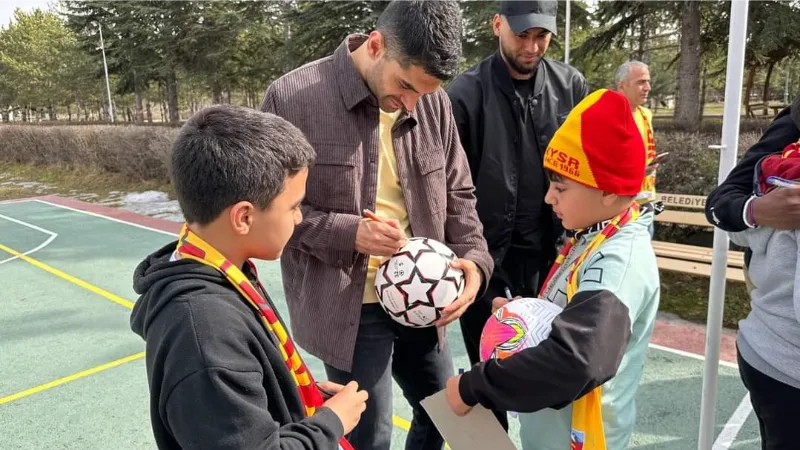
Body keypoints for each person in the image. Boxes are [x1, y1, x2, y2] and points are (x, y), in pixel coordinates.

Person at [260, 1, 494, 449]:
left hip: (427, 295)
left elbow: (460, 195)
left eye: (423, 94)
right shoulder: (292, 98)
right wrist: (350, 233)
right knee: (369, 436)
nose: (411, 104)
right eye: (405, 86)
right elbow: (271, 212)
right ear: (375, 45)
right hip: (350, 306)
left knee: (452, 413)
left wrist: (475, 265)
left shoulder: (434, 104)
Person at [130, 105, 369, 450]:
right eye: (293, 206)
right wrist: (331, 423)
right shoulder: (203, 333)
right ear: (243, 217)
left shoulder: (223, 268)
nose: (299, 218)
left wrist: (293, 393)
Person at [444, 89, 661, 450]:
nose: (549, 198)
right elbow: (573, 315)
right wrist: (525, 314)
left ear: (607, 190)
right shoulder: (594, 234)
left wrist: (474, 387)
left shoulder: (619, 263)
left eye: (560, 187)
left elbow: (577, 360)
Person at [444, 0, 588, 428]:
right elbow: (450, 191)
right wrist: (478, 273)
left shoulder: (571, 85)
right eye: (521, 34)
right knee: (486, 386)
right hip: (487, 264)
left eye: (540, 36)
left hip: (555, 261)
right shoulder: (464, 94)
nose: (531, 46)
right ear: (497, 25)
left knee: (550, 385)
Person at [726, 145, 800, 450]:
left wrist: (756, 209)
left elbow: (736, 230)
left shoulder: (782, 163)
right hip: (787, 363)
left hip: (762, 347)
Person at [614, 60, 662, 234]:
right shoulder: (609, 116)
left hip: (646, 201)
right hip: (620, 208)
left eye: (648, 81)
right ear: (622, 86)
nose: (648, 87)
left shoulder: (645, 114)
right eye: (641, 82)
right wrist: (634, 173)